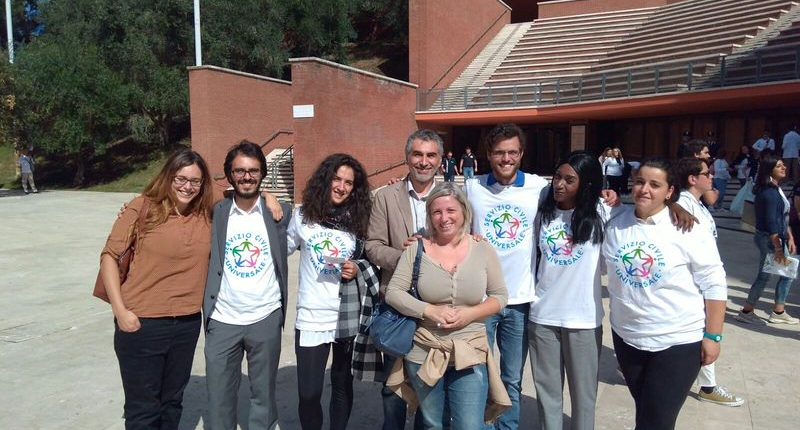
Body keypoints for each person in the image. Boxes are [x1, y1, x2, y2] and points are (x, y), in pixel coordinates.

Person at [465, 124, 618, 430]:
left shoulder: (544, 191)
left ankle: (507, 426)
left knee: (514, 378)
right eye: (499, 152)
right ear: (488, 154)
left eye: (512, 152)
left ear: (521, 154)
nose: (506, 158)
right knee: (480, 375)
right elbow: (441, 208)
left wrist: (676, 206)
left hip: (526, 301)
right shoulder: (472, 187)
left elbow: (638, 217)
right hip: (492, 302)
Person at [602, 158, 727, 430]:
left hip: (677, 340)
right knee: (646, 413)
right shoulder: (616, 224)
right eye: (640, 182)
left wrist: (713, 336)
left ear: (670, 191)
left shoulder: (687, 228)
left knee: (656, 421)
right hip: (627, 337)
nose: (644, 189)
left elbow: (714, 282)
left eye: (655, 184)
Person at [100, 149, 215, 430]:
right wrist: (121, 312)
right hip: (142, 323)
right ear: (168, 177)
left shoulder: (207, 214)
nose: (187, 186)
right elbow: (109, 258)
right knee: (143, 409)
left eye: (195, 181)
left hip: (187, 323)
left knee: (172, 403)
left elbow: (244, 191)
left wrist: (269, 197)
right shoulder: (141, 208)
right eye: (181, 179)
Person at [385, 182, 509, 430]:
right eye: (437, 212)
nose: (444, 218)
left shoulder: (482, 249)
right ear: (429, 216)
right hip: (425, 351)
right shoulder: (417, 249)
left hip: (470, 350)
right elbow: (393, 292)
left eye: (451, 210)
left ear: (464, 211)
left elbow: (499, 296)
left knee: (469, 426)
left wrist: (470, 314)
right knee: (433, 424)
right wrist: (429, 310)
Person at [203, 140, 292, 430]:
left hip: (265, 317)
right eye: (239, 171)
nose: (246, 176)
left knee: (263, 396)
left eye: (253, 171)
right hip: (222, 320)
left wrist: (268, 196)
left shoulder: (279, 213)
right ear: (230, 175)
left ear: (262, 173)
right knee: (219, 397)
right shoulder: (216, 213)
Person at [529, 151, 621, 430]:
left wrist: (677, 207)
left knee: (583, 397)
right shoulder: (542, 211)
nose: (559, 184)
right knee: (548, 396)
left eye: (569, 180)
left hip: (583, 320)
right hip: (543, 317)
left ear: (587, 183)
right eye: (557, 176)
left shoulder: (604, 212)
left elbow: (645, 213)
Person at [287, 153, 372, 430]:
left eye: (348, 182)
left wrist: (357, 268)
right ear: (325, 180)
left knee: (341, 385)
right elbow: (279, 248)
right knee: (308, 393)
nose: (341, 187)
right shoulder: (303, 216)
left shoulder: (360, 219)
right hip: (311, 315)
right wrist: (267, 200)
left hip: (346, 314)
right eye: (336, 179)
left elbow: (371, 257)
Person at [366, 129, 442, 430]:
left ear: (440, 159)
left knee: (430, 385)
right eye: (417, 154)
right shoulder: (385, 197)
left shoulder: (451, 196)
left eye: (431, 155)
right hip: (397, 305)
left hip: (437, 306)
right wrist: (404, 256)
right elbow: (372, 245)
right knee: (393, 386)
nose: (424, 161)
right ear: (407, 157)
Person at [674, 157, 744, 407]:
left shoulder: (696, 203)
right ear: (693, 179)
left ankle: (706, 384)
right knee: (701, 331)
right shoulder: (682, 205)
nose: (712, 176)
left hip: (704, 275)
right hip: (695, 280)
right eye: (707, 173)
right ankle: (708, 386)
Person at [736, 155, 800, 325]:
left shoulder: (775, 189)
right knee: (770, 275)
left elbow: (782, 216)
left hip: (774, 238)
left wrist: (790, 237)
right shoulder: (769, 192)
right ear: (769, 170)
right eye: (779, 166)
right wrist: (778, 247)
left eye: (783, 165)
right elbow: (772, 222)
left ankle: (776, 311)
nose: (784, 167)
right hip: (770, 240)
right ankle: (748, 311)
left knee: (785, 273)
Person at [686, 140, 719, 207]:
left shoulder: (681, 167)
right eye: (706, 153)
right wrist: (717, 192)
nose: (709, 155)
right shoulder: (699, 170)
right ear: (696, 154)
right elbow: (711, 200)